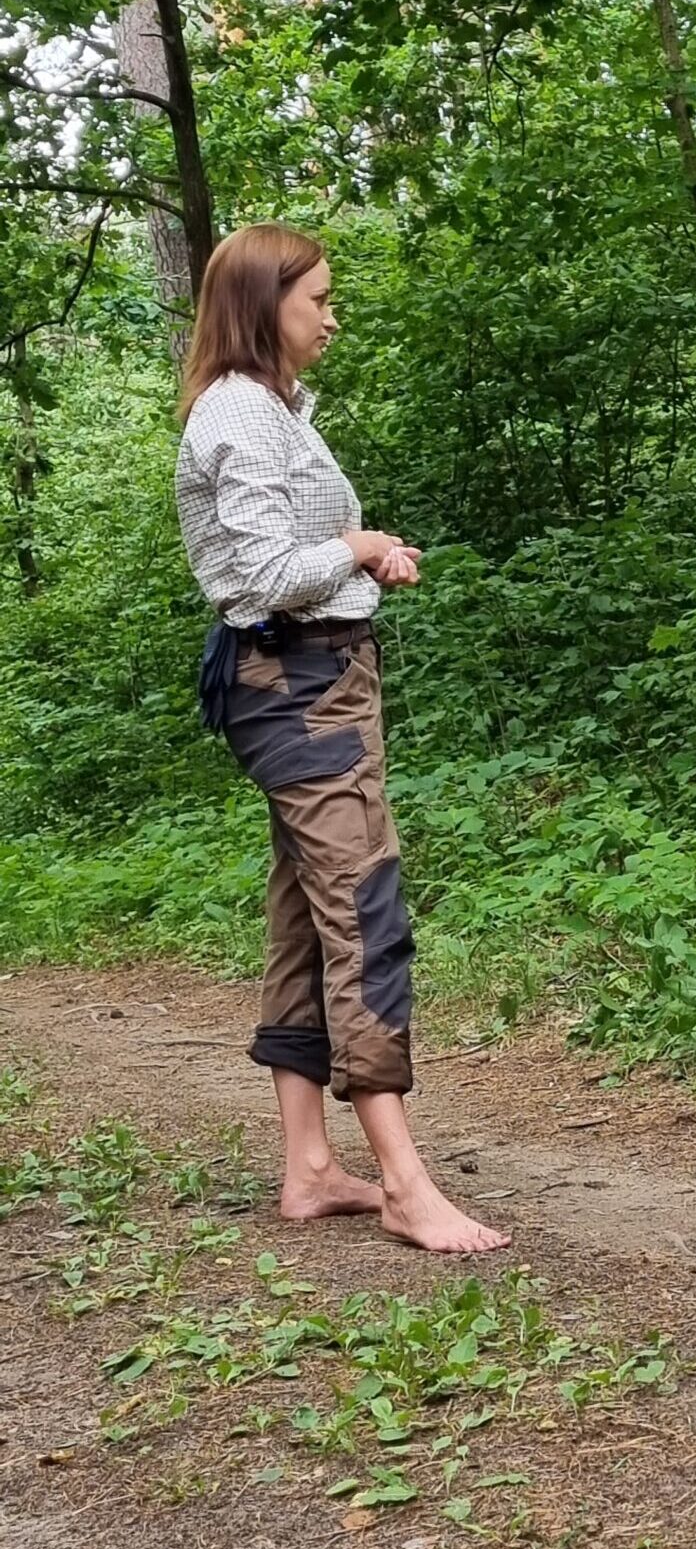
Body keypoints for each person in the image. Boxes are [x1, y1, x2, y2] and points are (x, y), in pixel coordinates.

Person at [175, 223, 509, 1253]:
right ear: (261, 303)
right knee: (364, 908)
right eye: (317, 297)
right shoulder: (239, 409)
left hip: (312, 675)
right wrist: (359, 544)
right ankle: (406, 1181)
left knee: (306, 912)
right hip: (293, 686)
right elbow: (271, 573)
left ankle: (312, 1168)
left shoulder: (277, 409)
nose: (332, 314)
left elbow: (290, 555)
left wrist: (367, 559)